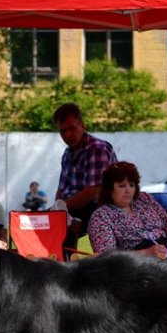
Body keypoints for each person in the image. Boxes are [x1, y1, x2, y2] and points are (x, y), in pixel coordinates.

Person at [88, 161, 167, 258]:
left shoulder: (144, 199)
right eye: (122, 186)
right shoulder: (101, 217)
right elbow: (108, 257)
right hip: (137, 266)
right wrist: (147, 252)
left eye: (132, 185)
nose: (128, 190)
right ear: (109, 189)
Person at [53, 103, 117, 249]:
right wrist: (58, 211)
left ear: (82, 125)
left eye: (72, 128)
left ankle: (66, 262)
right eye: (63, 131)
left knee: (58, 224)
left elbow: (94, 192)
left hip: (100, 208)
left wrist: (62, 210)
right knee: (48, 224)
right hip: (74, 208)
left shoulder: (97, 149)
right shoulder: (67, 153)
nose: (68, 135)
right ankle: (60, 263)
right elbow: (61, 190)